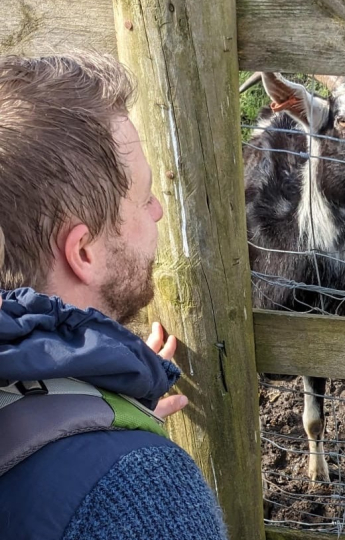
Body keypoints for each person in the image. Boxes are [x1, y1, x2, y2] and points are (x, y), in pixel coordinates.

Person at [0, 53, 229, 539]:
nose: (160, 211)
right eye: (144, 197)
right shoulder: (145, 499)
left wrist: (96, 398)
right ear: (82, 250)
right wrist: (118, 460)